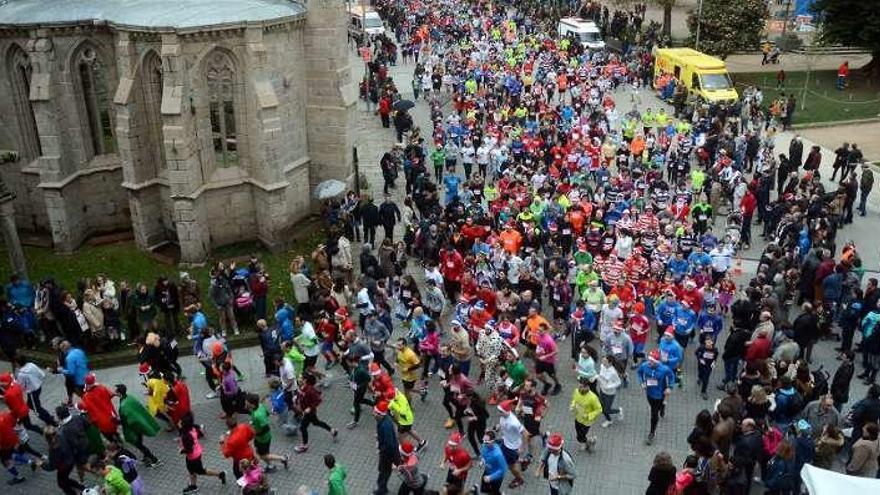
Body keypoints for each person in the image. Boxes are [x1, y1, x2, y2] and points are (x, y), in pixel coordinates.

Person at [178, 413, 226, 494]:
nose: (179, 422)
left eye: (180, 421)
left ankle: (220, 474)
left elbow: (189, 450)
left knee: (199, 471)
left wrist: (181, 451)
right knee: (194, 471)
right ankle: (193, 485)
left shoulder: (186, 436)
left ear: (184, 424)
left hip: (192, 457)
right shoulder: (192, 428)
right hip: (197, 453)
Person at [115, 384, 162, 467]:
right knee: (140, 443)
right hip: (138, 426)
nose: (115, 392)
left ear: (119, 393)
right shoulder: (130, 397)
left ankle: (154, 459)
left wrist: (117, 421)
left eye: (116, 391)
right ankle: (146, 456)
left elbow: (125, 421)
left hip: (133, 430)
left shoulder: (123, 406)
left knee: (140, 445)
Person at [637, 349, 676, 445]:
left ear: (657, 362)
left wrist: (670, 387)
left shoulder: (664, 369)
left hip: (660, 394)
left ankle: (652, 433)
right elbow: (639, 373)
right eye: (649, 360)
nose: (649, 363)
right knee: (654, 407)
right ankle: (662, 407)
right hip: (649, 393)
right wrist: (642, 382)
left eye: (652, 361)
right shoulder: (645, 366)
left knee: (654, 414)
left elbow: (671, 376)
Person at [293, 374, 338, 453]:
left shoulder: (310, 390)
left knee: (303, 428)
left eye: (300, 377)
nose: (298, 379)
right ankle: (332, 430)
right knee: (316, 422)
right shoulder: (302, 387)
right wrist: (297, 399)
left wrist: (309, 408)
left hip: (309, 412)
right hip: (306, 411)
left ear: (305, 380)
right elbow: (302, 396)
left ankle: (304, 446)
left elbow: (318, 400)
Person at [245, 394, 289, 471]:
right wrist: (254, 423)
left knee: (263, 455)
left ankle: (283, 458)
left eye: (246, 402)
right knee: (262, 453)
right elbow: (267, 414)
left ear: (252, 404)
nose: (245, 403)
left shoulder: (258, 415)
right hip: (260, 437)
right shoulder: (259, 406)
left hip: (263, 438)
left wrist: (255, 434)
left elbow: (265, 427)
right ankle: (270, 465)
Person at [13, 355, 55, 427]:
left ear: (18, 363)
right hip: (38, 388)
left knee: (37, 410)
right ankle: (22, 417)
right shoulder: (31, 365)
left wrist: (14, 382)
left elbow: (20, 387)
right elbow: (42, 374)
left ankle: (51, 421)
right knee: (29, 405)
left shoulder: (21, 374)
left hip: (32, 392)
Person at [496, 399, 526, 489]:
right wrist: (499, 427)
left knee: (511, 467)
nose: (499, 413)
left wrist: (522, 447)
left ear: (506, 411)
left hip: (512, 447)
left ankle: (520, 479)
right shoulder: (503, 417)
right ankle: (523, 461)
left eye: (500, 411)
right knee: (510, 461)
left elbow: (525, 433)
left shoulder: (514, 423)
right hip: (506, 442)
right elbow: (502, 424)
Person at [373, 400, 400, 495]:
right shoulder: (382, 420)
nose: (373, 413)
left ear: (381, 414)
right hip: (386, 452)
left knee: (384, 471)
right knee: (383, 470)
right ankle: (382, 485)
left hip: (387, 454)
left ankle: (382, 489)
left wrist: (382, 449)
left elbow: (390, 444)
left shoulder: (385, 426)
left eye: (375, 412)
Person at [569, 377, 602, 451]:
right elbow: (574, 399)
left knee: (581, 435)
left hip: (587, 421)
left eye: (581, 387)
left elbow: (599, 409)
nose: (579, 388)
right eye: (579, 386)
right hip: (578, 417)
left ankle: (588, 442)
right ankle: (590, 441)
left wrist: (588, 416)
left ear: (587, 387)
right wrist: (573, 405)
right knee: (578, 435)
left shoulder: (593, 398)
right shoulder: (576, 391)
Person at [477, 430, 507, 495]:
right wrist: (482, 461)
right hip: (487, 471)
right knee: (485, 489)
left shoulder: (498, 454)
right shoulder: (484, 445)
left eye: (486, 442)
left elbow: (503, 469)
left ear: (492, 442)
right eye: (483, 440)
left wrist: (491, 477)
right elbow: (483, 455)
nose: (484, 443)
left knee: (494, 491)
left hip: (496, 477)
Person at [596, 355, 623, 427]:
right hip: (602, 390)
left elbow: (618, 382)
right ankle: (609, 420)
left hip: (610, 393)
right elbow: (601, 376)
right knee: (601, 408)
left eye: (605, 361)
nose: (602, 362)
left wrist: (609, 386)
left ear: (610, 363)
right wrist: (596, 377)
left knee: (606, 410)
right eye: (603, 360)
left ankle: (618, 411)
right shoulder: (602, 366)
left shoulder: (613, 372)